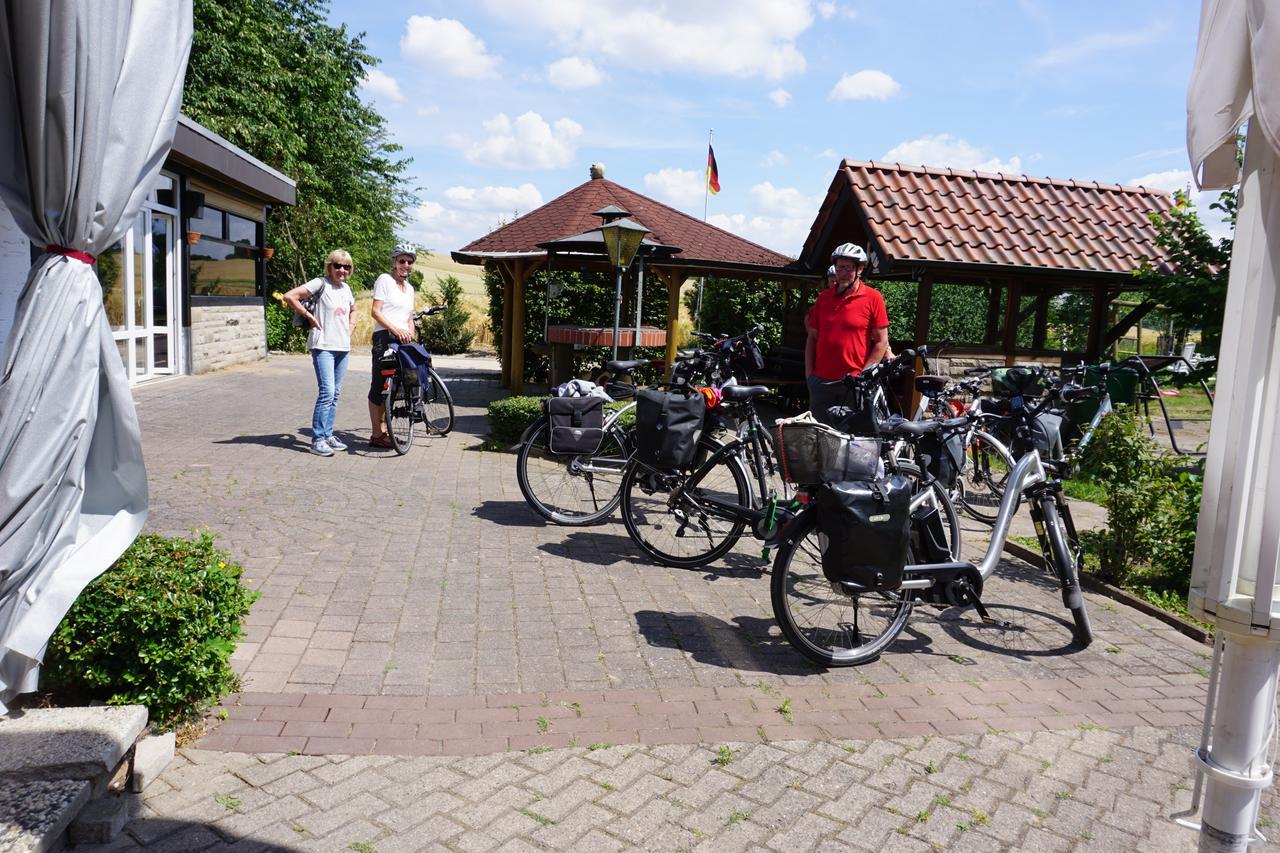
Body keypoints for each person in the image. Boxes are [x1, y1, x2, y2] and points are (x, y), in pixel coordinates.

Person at [805, 242, 889, 425]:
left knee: (853, 443)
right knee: (819, 438)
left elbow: (881, 342)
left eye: (847, 268)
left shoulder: (873, 298)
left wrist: (863, 376)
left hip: (853, 384)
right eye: (838, 267)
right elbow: (812, 337)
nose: (841, 273)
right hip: (822, 383)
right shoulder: (824, 298)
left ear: (859, 269)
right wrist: (810, 376)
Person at [284, 249, 357, 456]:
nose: (342, 270)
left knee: (334, 394)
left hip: (343, 347)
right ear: (330, 266)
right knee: (326, 393)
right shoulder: (319, 283)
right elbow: (290, 296)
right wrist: (309, 316)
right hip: (323, 346)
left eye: (346, 267)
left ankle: (328, 435)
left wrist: (351, 327)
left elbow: (355, 309)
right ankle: (317, 440)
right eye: (338, 265)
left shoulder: (346, 288)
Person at [367, 243, 418, 448]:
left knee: (396, 386)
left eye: (409, 262)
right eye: (401, 261)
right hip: (384, 338)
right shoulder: (385, 280)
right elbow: (376, 311)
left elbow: (408, 316)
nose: (405, 265)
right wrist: (396, 331)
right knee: (379, 386)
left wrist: (410, 332)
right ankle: (376, 434)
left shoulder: (410, 289)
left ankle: (385, 430)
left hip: (402, 340)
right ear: (394, 262)